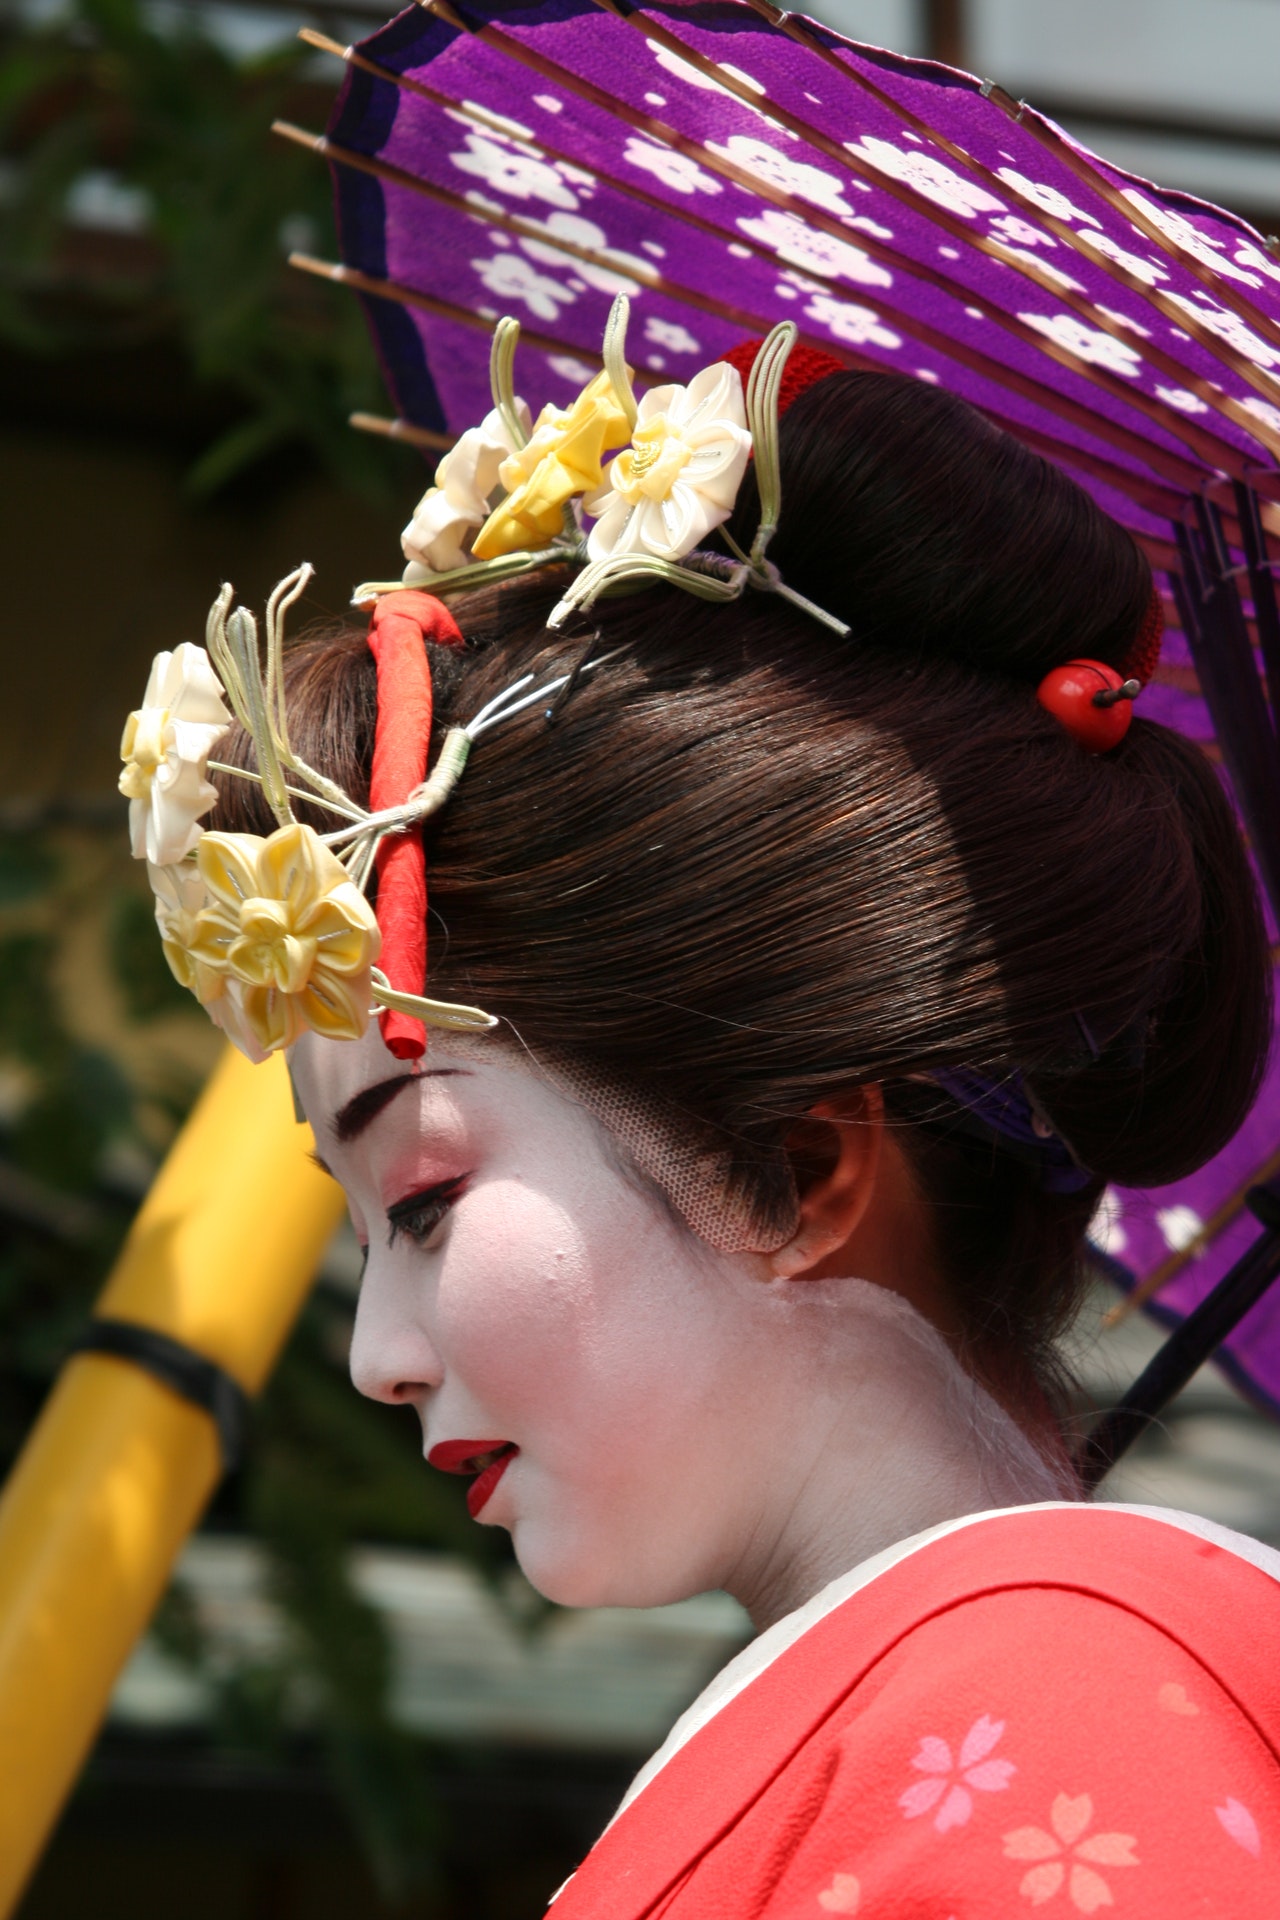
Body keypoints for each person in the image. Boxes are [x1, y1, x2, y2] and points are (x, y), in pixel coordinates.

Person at [181, 355, 1280, 1912]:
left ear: (800, 1166)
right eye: (366, 1233)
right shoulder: (997, 1695)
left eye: (422, 1200)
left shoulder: (1064, 1699)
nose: (377, 1355)